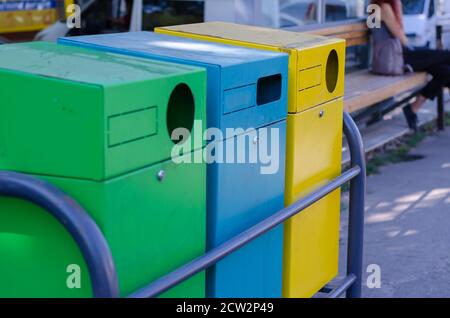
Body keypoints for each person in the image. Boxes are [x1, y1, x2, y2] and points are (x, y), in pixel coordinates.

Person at [372, 0, 450, 131]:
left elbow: (378, 31)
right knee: (447, 56)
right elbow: (399, 35)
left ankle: (413, 108)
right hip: (397, 57)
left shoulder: (379, 5)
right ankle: (412, 109)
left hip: (397, 54)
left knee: (446, 71)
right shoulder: (383, 6)